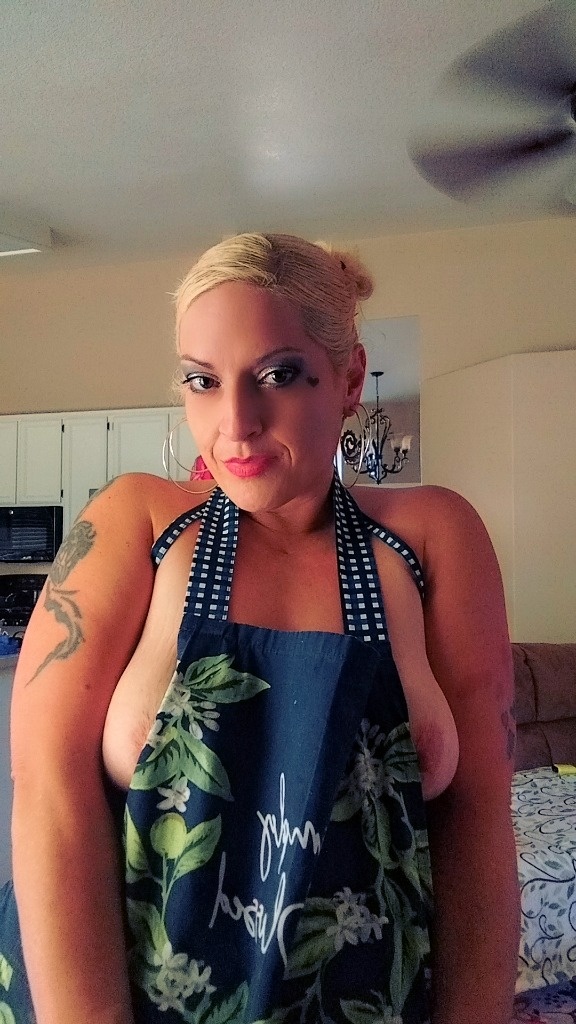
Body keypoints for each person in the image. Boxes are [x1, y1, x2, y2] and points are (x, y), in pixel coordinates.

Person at [0, 232, 519, 1024]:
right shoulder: (136, 524)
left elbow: (478, 819)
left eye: (278, 375)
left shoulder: (432, 538)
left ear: (349, 378)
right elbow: (48, 791)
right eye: (202, 381)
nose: (235, 424)